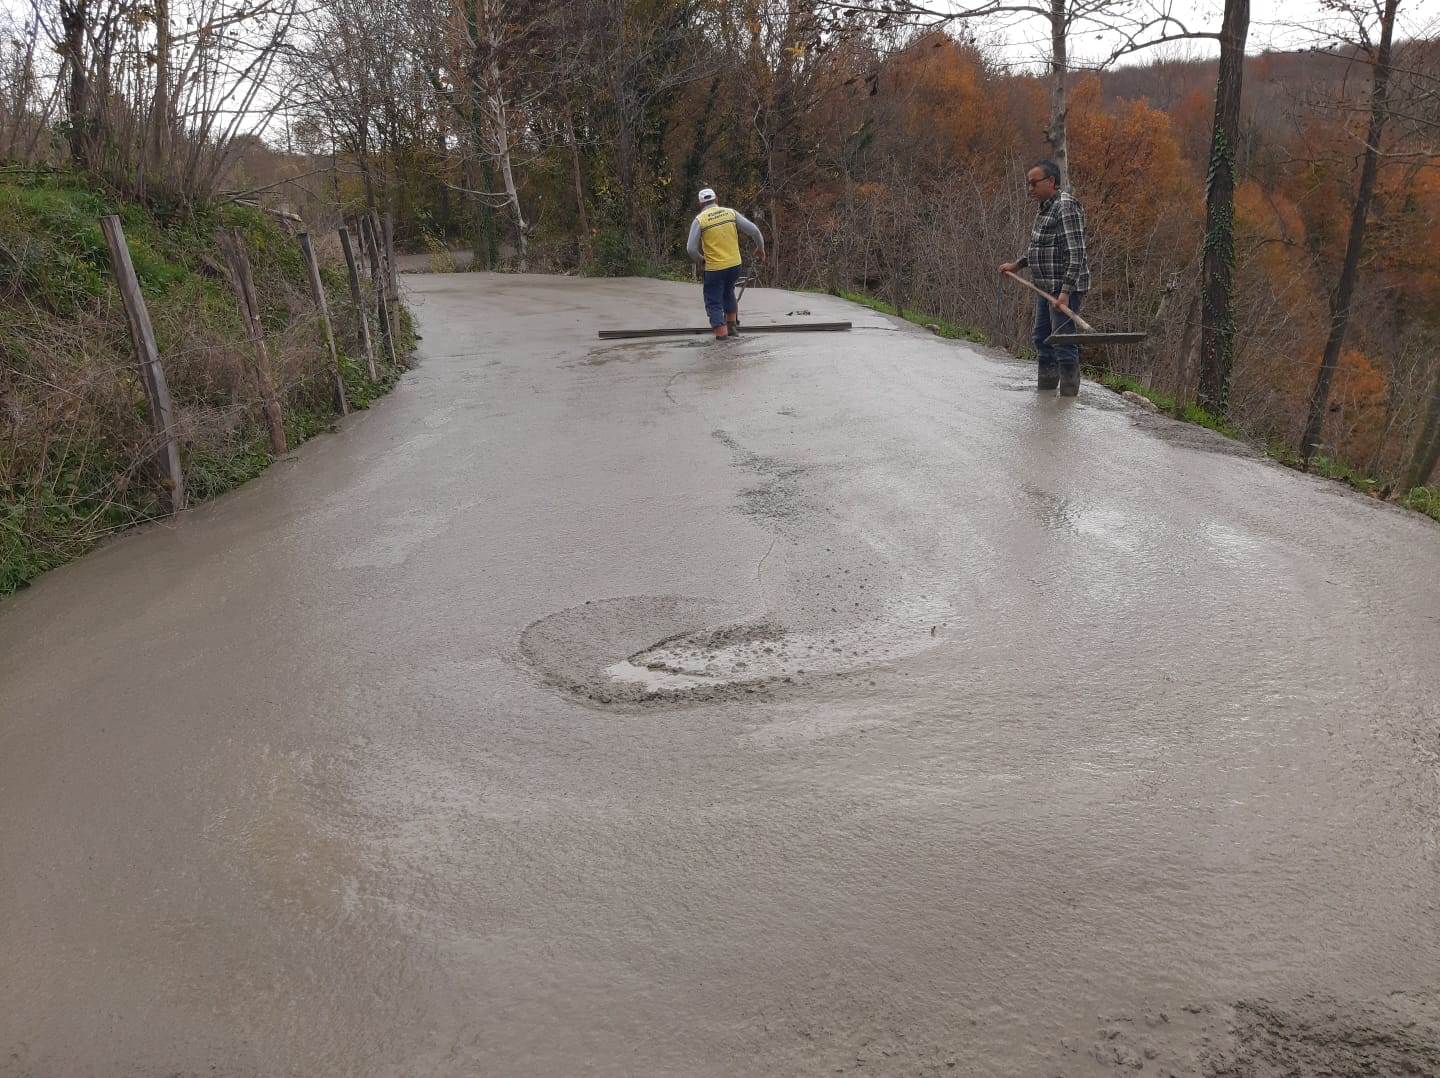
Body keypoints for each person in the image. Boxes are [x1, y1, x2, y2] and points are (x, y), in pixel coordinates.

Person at [998, 160, 1092, 396]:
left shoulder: (1065, 207)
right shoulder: (1044, 208)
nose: (1029, 189)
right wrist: (1017, 265)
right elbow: (1037, 249)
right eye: (1027, 184)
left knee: (1062, 341)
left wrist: (1065, 293)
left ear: (1051, 181)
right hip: (1045, 287)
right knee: (1042, 338)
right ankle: (1046, 394)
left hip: (1064, 288)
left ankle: (1067, 399)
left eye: (1033, 183)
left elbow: (1076, 253)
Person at [686, 188, 766, 341]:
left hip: (715, 268)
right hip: (735, 265)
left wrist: (701, 260)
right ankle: (732, 327)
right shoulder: (730, 213)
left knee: (713, 301)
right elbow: (754, 231)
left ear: (700, 203)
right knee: (729, 292)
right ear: (716, 199)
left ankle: (722, 338)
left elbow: (690, 248)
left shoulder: (700, 220)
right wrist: (760, 249)